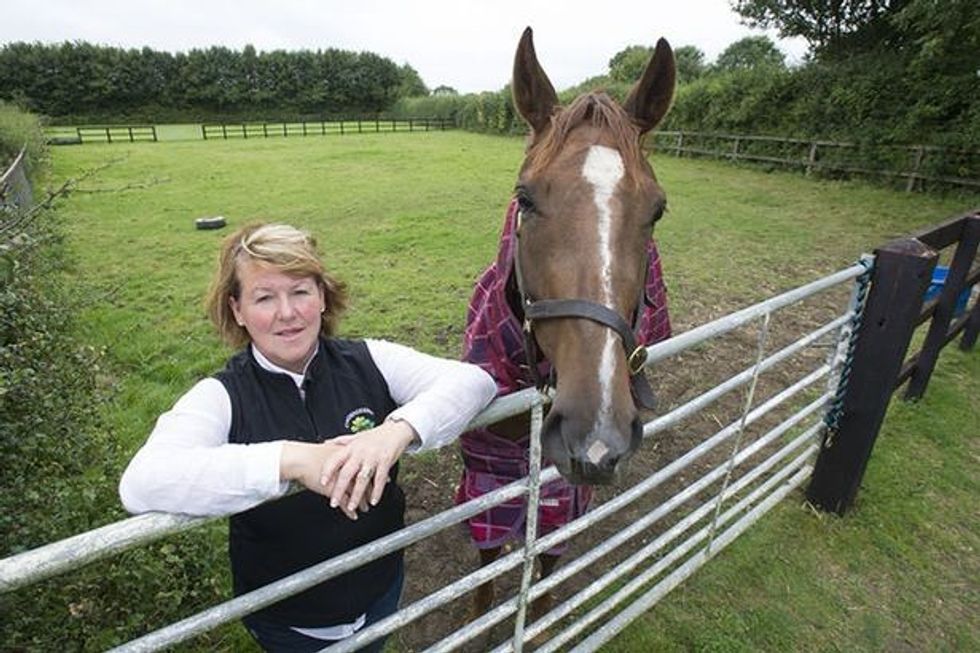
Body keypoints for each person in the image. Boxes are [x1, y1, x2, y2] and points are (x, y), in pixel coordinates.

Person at [119, 222, 496, 652]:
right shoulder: (222, 395)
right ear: (237, 310)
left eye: (300, 291)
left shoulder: (369, 359)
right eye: (264, 297)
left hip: (382, 589)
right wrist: (293, 461)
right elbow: (143, 482)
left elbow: (474, 382)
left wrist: (395, 432)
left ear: (322, 296)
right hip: (287, 620)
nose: (287, 312)